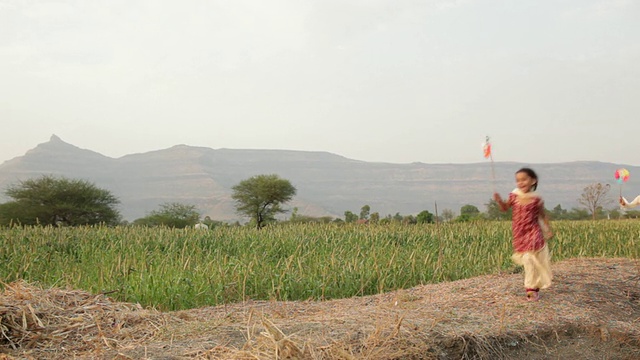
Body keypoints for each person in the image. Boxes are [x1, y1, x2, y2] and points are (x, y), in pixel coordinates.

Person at [493, 167, 553, 302]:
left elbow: (542, 215)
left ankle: (530, 289)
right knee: (528, 259)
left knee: (531, 257)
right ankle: (534, 286)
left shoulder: (536, 199)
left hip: (533, 230)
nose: (520, 183)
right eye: (518, 180)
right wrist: (499, 201)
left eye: (524, 179)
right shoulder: (514, 195)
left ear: (533, 181)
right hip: (520, 232)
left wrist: (547, 229)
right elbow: (504, 208)